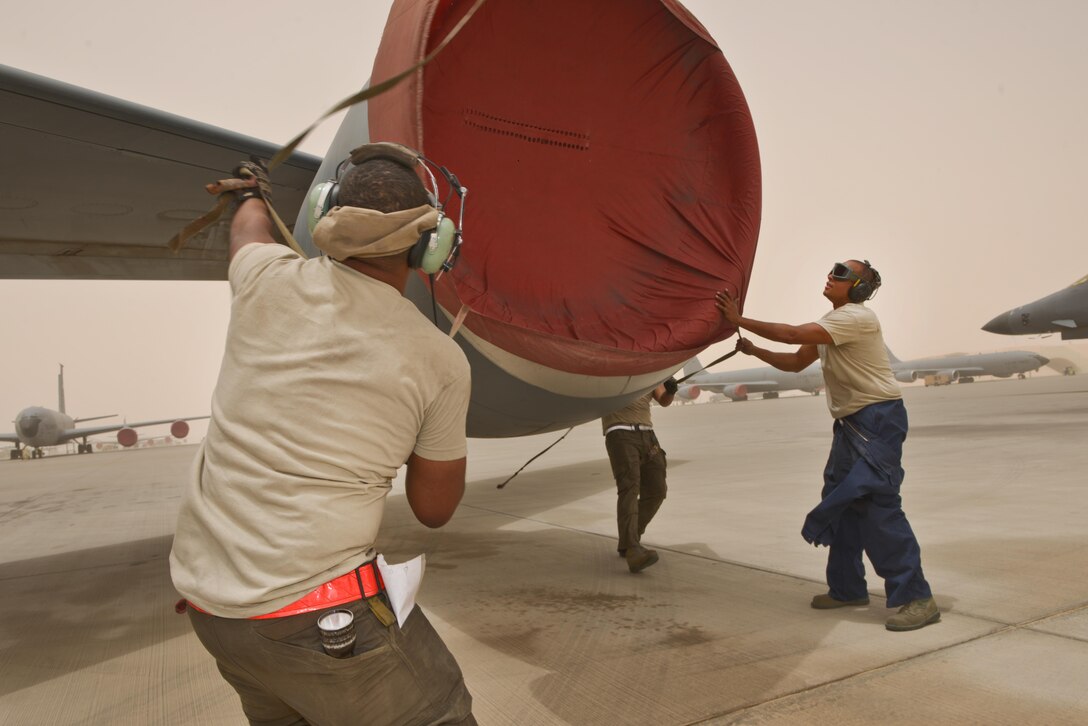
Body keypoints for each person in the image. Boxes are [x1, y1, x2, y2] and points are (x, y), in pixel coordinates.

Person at [169, 146, 477, 724]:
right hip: (316, 617)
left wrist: (249, 191)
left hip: (216, 613)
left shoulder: (262, 278)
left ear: (323, 215)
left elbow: (249, 230)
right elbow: (434, 509)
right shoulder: (438, 360)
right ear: (430, 245)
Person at [715, 260, 939, 632]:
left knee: (877, 507)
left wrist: (738, 319)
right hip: (851, 424)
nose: (831, 277)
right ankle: (847, 589)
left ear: (859, 289)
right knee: (842, 506)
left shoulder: (855, 317)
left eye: (840, 274)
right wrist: (754, 350)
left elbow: (789, 335)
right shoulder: (832, 325)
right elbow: (793, 362)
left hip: (878, 420)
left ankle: (918, 597)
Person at [602, 378, 677, 573]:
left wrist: (671, 391)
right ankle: (633, 550)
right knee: (629, 488)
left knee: (658, 490)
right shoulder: (611, 371)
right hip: (620, 433)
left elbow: (664, 400)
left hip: (648, 435)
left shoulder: (651, 373)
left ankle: (629, 540)